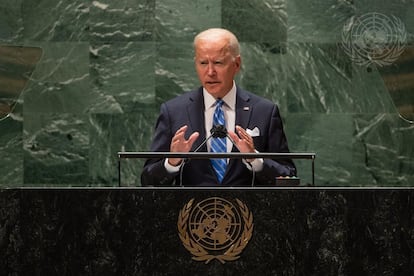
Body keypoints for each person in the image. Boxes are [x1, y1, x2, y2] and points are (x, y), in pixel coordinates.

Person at [141, 28, 296, 186]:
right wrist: (172, 162)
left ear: (236, 64)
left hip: (249, 209)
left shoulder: (264, 111)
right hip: (193, 210)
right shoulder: (173, 112)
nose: (210, 72)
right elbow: (148, 180)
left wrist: (255, 159)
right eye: (203, 63)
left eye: (218, 63)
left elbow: (288, 175)